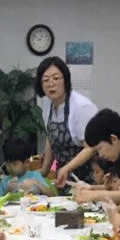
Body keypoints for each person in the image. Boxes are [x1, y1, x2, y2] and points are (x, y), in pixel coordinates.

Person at [34, 57, 98, 188]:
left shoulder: (82, 107)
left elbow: (91, 147)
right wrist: (45, 169)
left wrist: (67, 168)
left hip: (89, 179)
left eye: (56, 78)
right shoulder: (47, 104)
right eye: (45, 80)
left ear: (66, 79)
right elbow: (51, 137)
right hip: (63, 178)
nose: (51, 83)